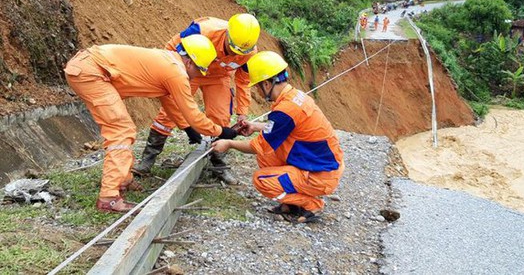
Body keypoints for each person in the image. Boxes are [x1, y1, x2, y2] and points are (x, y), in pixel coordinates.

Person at [64, 35, 239, 212]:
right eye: (199, 71)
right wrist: (220, 131)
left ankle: (122, 179)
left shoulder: (169, 63)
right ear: (189, 63)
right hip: (92, 72)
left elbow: (169, 101)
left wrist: (186, 127)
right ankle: (109, 198)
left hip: (89, 66)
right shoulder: (176, 73)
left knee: (122, 127)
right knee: (121, 129)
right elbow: (193, 114)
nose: (197, 76)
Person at [212, 51, 344, 223]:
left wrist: (229, 144)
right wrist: (256, 127)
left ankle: (311, 204)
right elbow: (284, 129)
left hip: (320, 174)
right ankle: (290, 204)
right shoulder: (295, 97)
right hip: (321, 164)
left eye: (258, 86)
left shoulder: (285, 110)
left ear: (267, 84)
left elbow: (256, 147)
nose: (258, 92)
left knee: (261, 180)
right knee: (267, 156)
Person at [134, 14, 260, 184]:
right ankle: (147, 159)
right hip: (191, 71)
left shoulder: (250, 52)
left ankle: (217, 163)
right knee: (170, 112)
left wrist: (242, 113)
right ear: (227, 34)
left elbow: (244, 81)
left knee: (221, 117)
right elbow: (172, 49)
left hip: (218, 77)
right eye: (231, 48)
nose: (232, 54)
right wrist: (172, 74)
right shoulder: (203, 30)